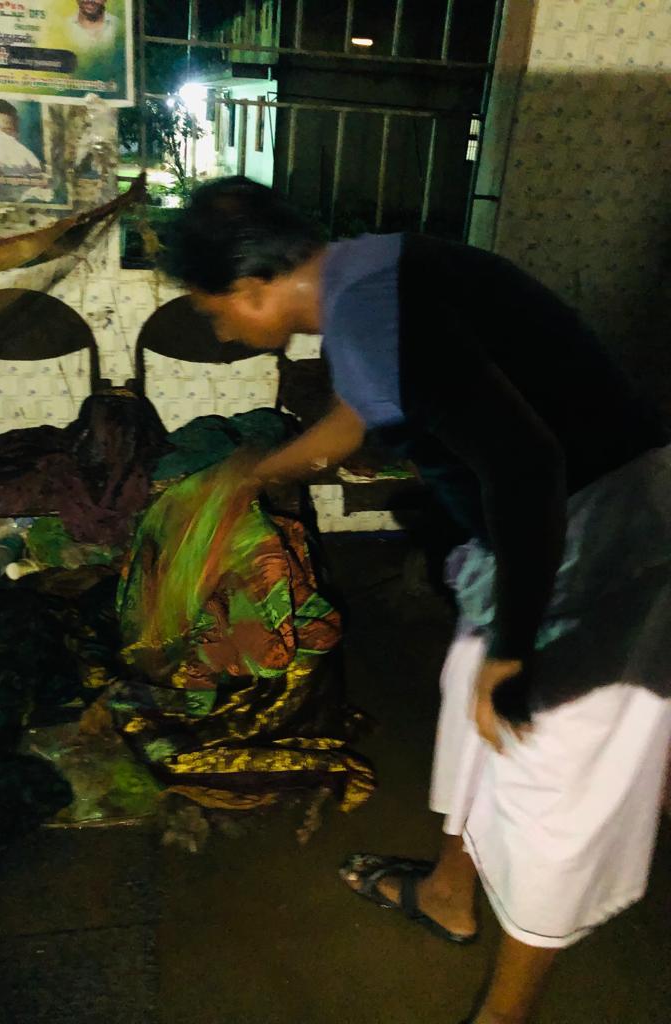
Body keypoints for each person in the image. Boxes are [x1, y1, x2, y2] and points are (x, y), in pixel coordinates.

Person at [162, 176, 671, 1024]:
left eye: (215, 313)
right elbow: (355, 421)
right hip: (538, 537)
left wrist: (515, 648)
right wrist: (246, 476)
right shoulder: (366, 277)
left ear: (253, 289)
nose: (221, 331)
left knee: (549, 777)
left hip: (605, 539)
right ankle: (448, 891)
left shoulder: (370, 312)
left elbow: (526, 466)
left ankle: (502, 1017)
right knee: (469, 704)